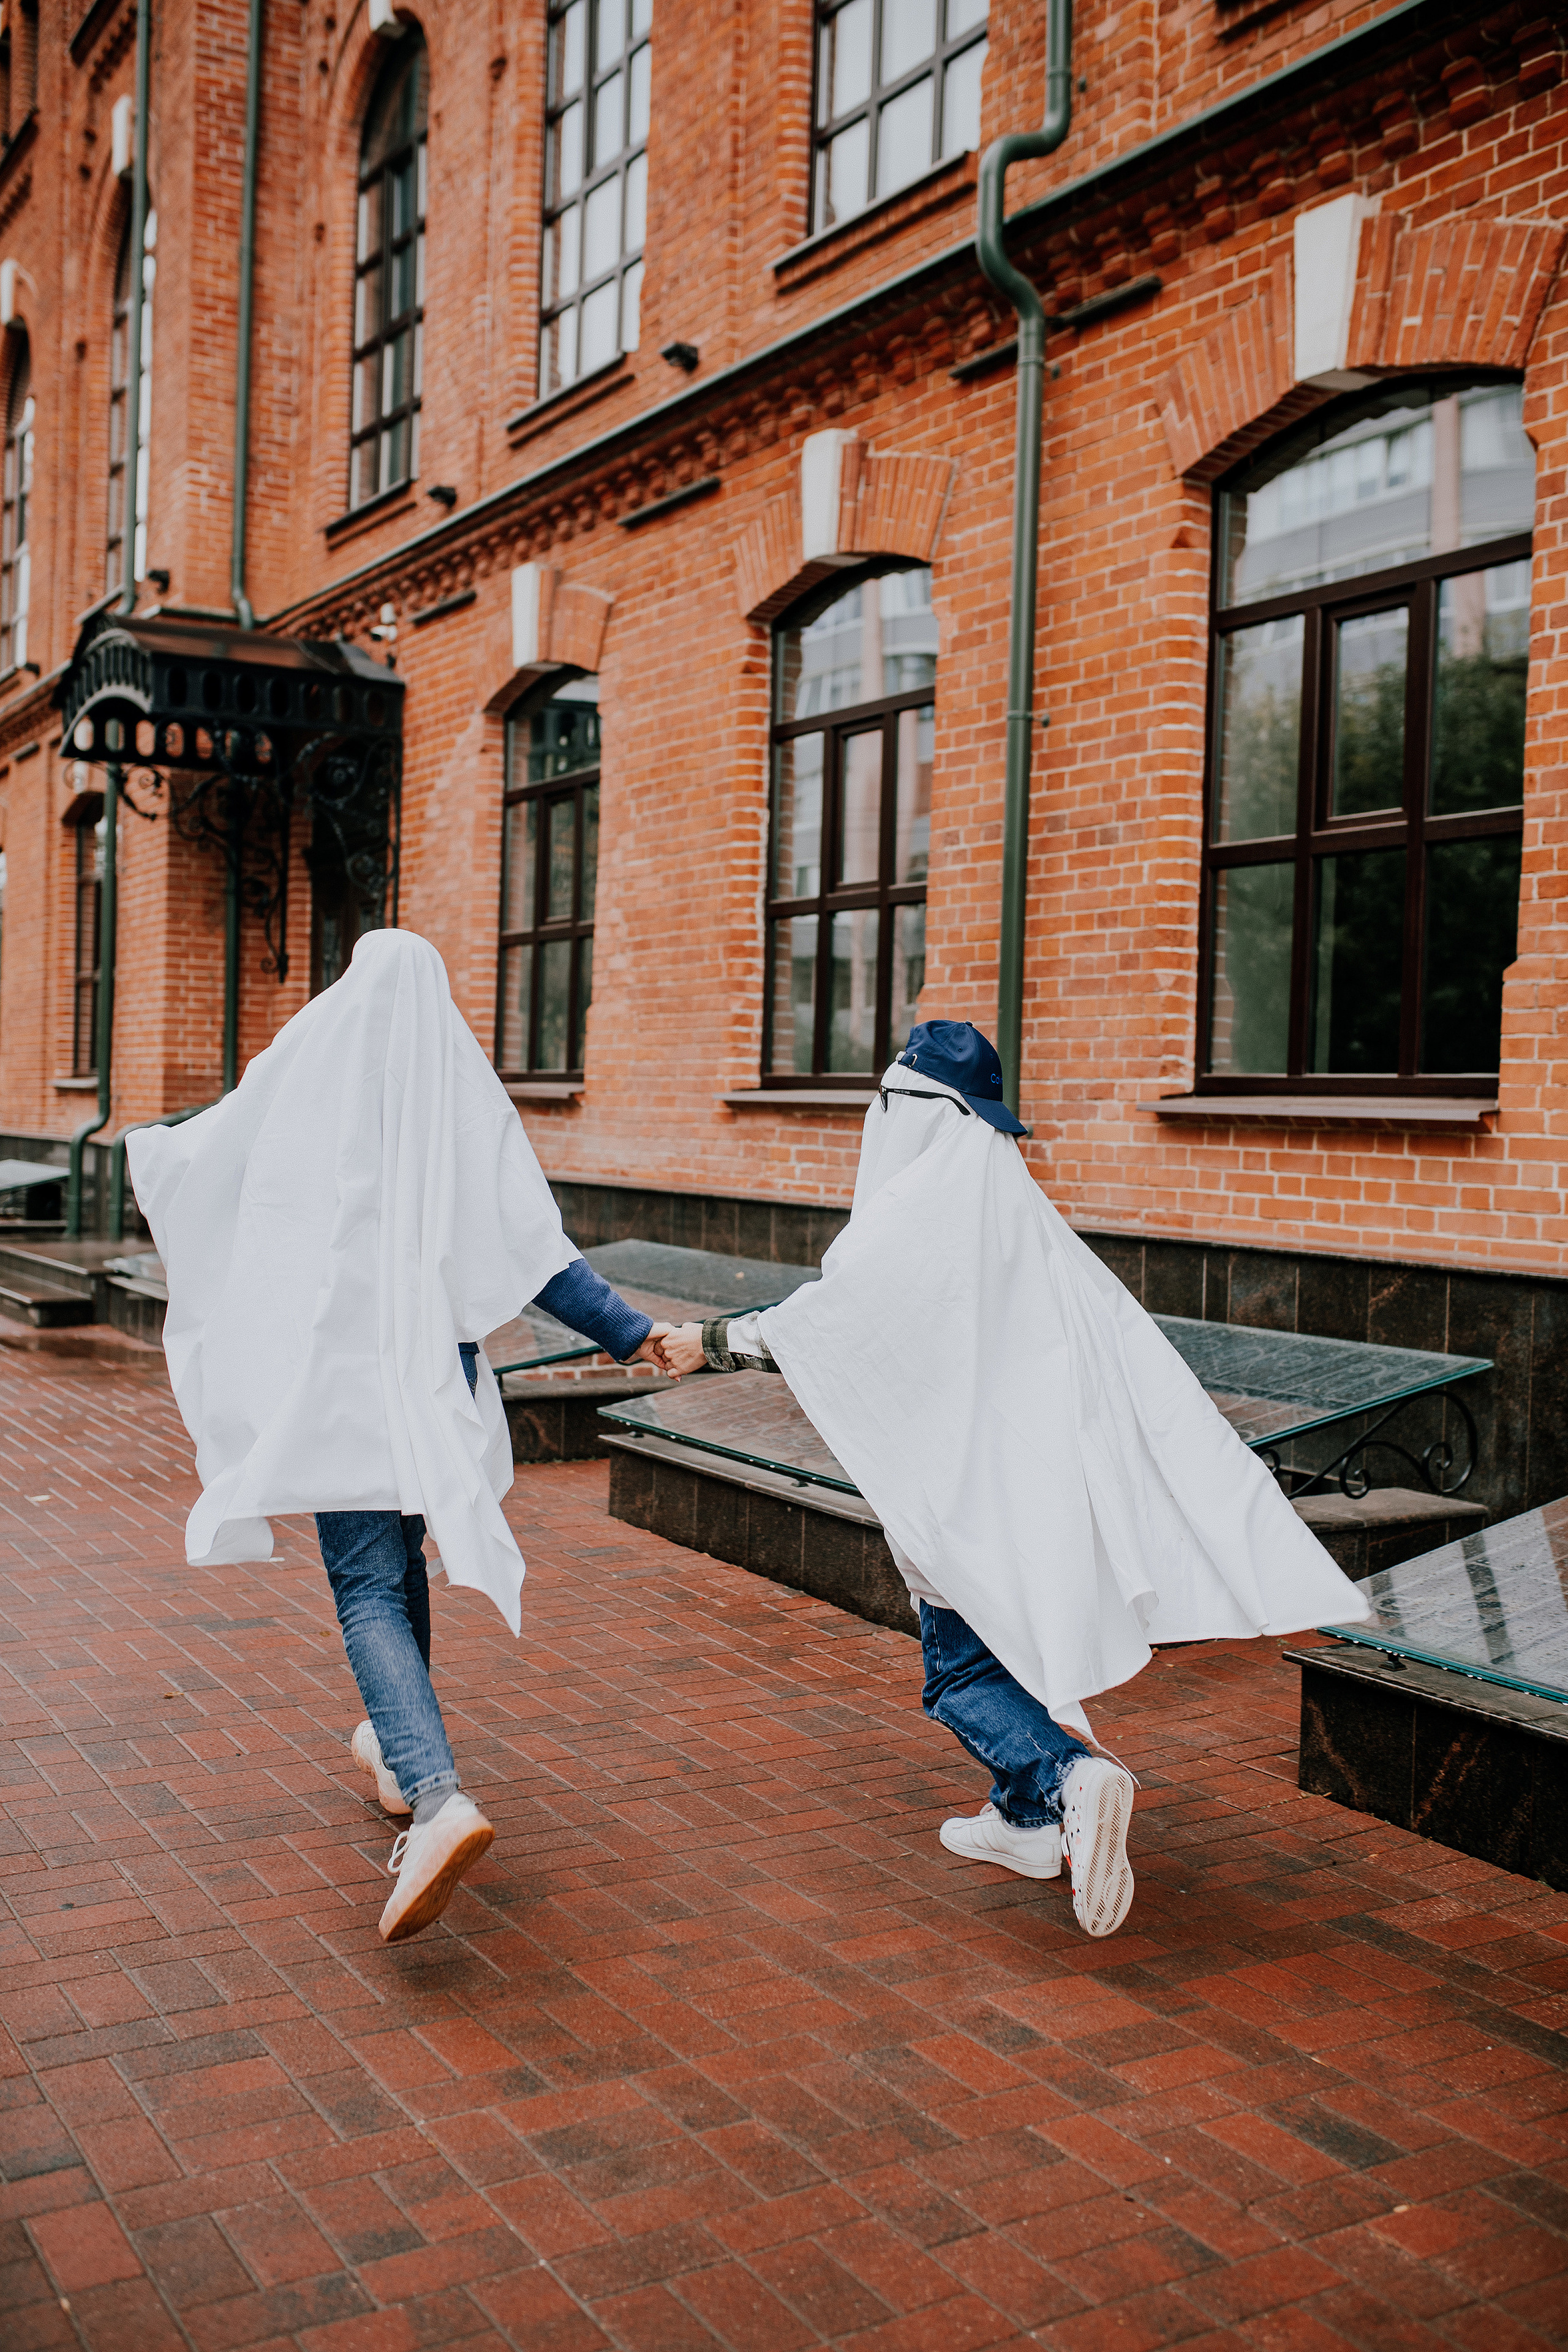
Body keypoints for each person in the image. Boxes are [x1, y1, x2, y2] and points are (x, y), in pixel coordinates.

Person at [663, 1020, 1370, 1939]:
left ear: (907, 1114)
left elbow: (834, 1323)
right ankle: (1025, 1825)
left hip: (971, 1497)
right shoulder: (1018, 1216)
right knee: (1005, 1643)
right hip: (1044, 1490)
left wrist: (706, 1342)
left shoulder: (923, 1216)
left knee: (956, 1679)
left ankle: (1065, 1778)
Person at [129, 929, 673, 1944]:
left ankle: (435, 1796)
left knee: (367, 1583)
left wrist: (155, 1155)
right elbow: (533, 1249)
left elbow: (216, 1152)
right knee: (400, 1563)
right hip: (431, 1385)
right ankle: (394, 1749)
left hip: (340, 1382)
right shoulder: (456, 1101)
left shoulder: (307, 1074)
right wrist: (635, 1334)